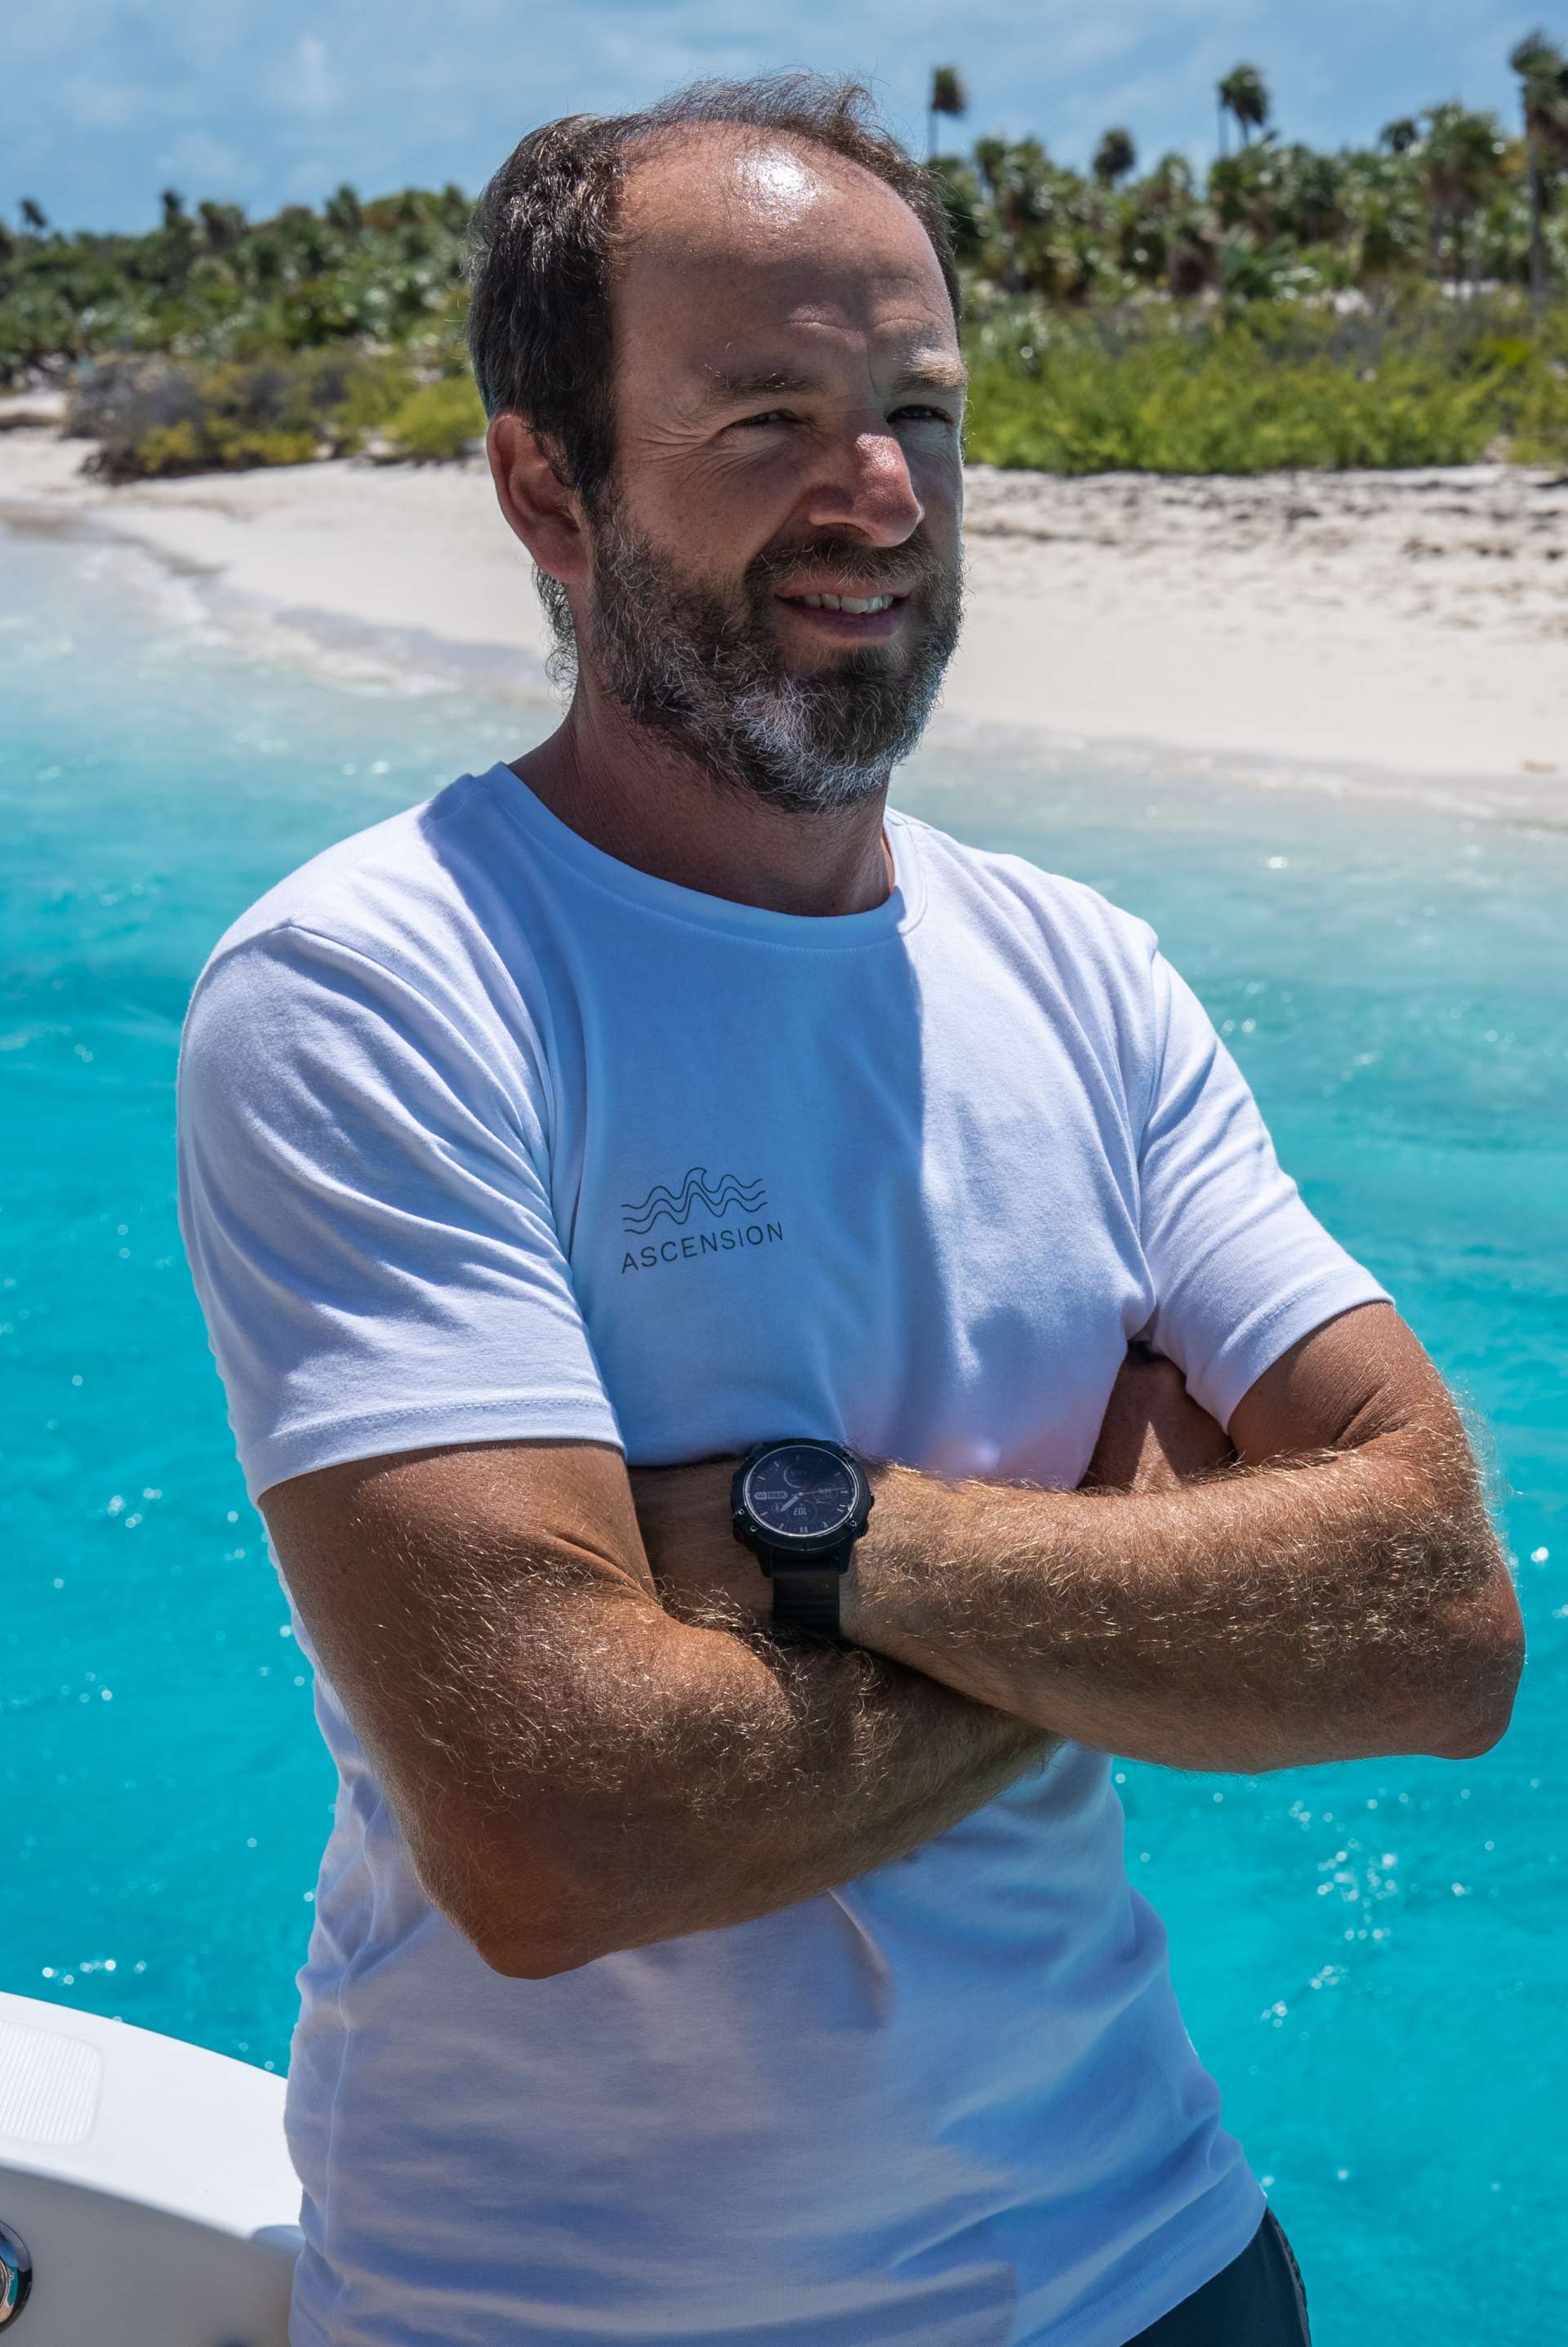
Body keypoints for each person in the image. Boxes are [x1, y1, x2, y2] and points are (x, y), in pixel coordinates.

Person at [175, 73, 1523, 2347]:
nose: (879, 492)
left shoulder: (1083, 971)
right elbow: (560, 1830)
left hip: (1155, 2260)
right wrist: (1134, 1582)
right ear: (548, 490)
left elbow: (1436, 1622)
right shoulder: (381, 990)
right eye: (769, 418)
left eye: (919, 410)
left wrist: (820, 1538)